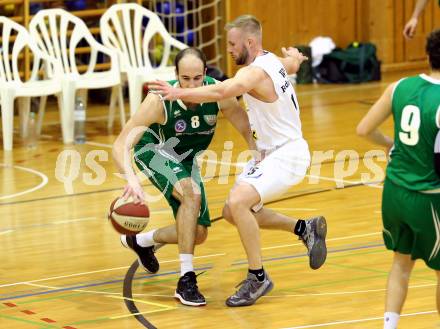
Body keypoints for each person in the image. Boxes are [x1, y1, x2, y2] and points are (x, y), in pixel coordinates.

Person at [148, 15, 328, 307]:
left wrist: (177, 92)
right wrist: (295, 57)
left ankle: (258, 277)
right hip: (269, 152)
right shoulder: (273, 61)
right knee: (232, 212)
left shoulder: (254, 73)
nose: (229, 49)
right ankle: (304, 229)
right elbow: (291, 64)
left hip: (286, 153)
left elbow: (221, 91)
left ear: (249, 42)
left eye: (232, 44)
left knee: (239, 202)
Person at [112, 47, 256, 306]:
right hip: (153, 151)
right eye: (185, 79)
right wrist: (131, 179)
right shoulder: (158, 100)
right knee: (191, 193)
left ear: (205, 74)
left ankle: (142, 241)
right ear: (175, 76)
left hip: (185, 158)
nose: (191, 84)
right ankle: (186, 279)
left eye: (197, 78)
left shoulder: (217, 92)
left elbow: (243, 123)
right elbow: (121, 143)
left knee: (198, 233)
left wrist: (257, 154)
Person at [357, 29, 440, 329]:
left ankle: (389, 326)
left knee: (401, 263)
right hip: (428, 196)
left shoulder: (399, 86)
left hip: (393, 191)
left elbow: (363, 129)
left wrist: (390, 144)